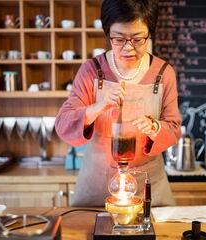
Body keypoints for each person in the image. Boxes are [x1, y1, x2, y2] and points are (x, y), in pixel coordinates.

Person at [55, 0, 181, 207]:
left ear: (150, 33)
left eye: (138, 39)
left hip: (149, 184)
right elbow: (63, 124)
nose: (128, 48)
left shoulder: (163, 73)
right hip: (98, 183)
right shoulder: (92, 71)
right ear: (107, 34)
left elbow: (174, 128)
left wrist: (155, 127)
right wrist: (97, 107)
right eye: (119, 39)